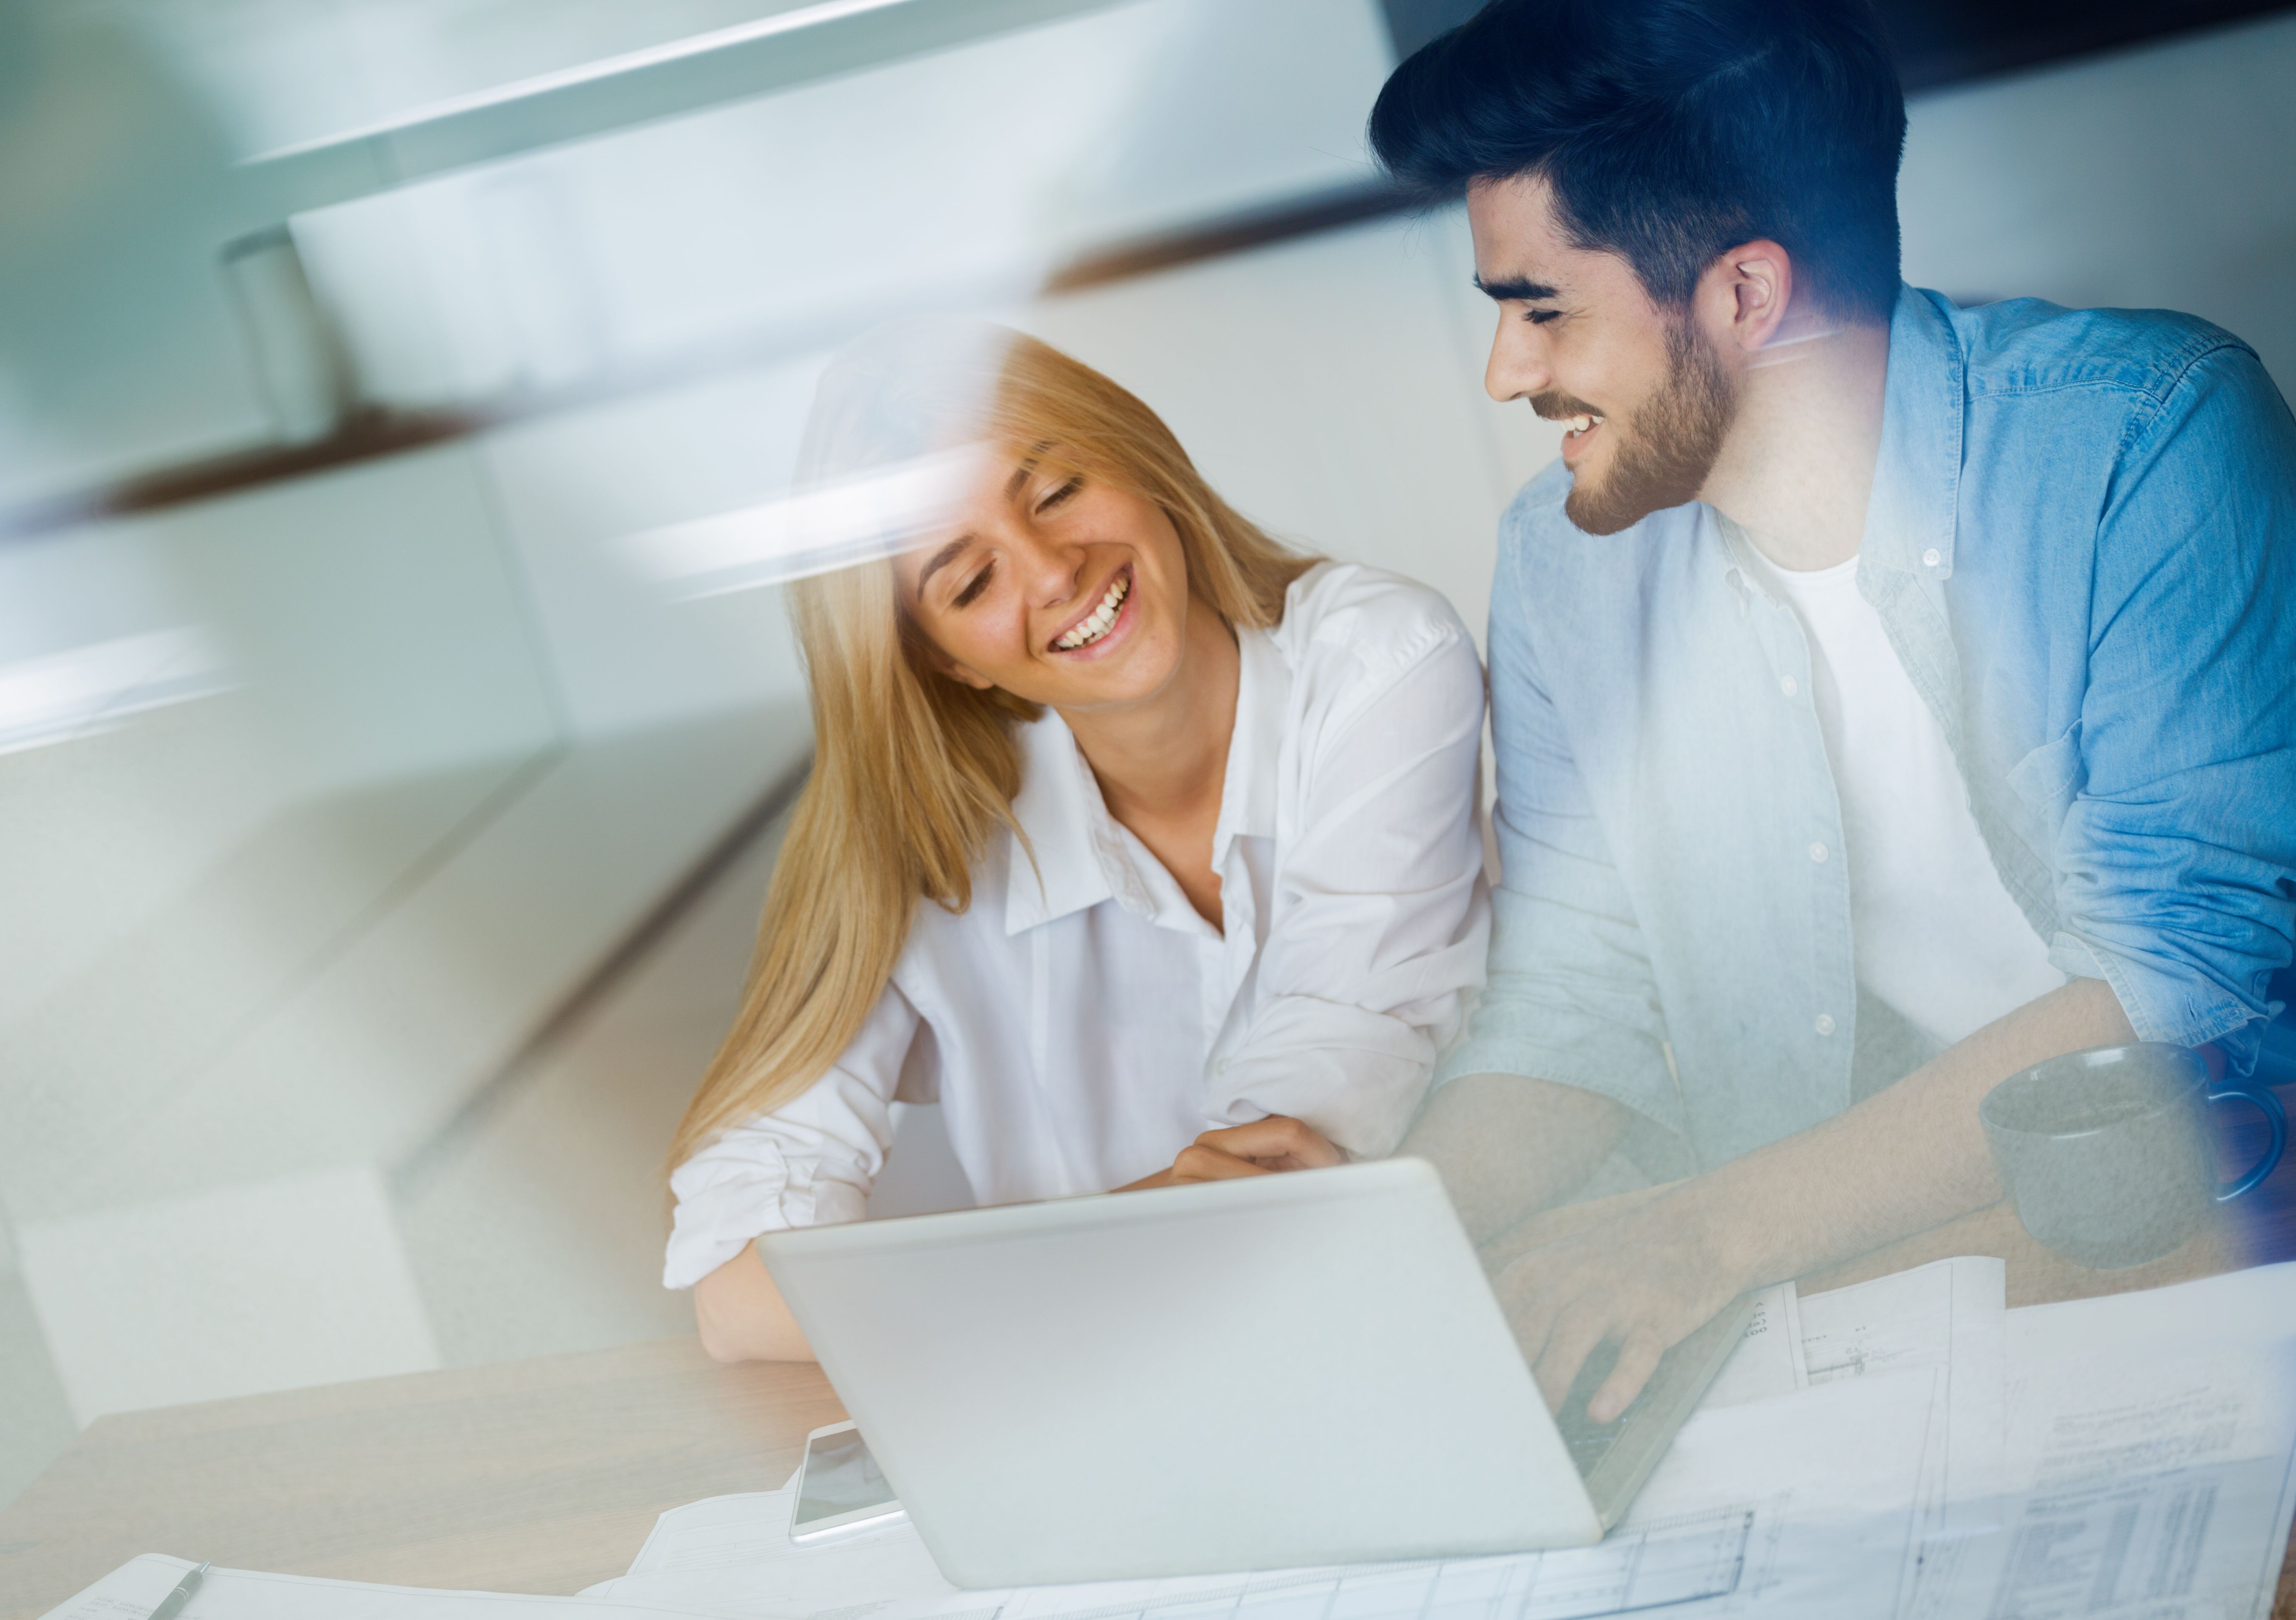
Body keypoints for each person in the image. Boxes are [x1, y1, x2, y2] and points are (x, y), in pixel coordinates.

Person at [1368, 0, 2296, 1423]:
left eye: (1539, 309)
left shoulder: (2148, 433)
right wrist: (1373, 1258)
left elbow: (2182, 985)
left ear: (1745, 294)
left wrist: (1699, 1235)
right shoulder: (1562, 568)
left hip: (2210, 1232)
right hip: (1851, 1280)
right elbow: (1576, 1006)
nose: (1508, 373)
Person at [664, 322, 1491, 1361]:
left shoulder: (1377, 661)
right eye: (971, 583)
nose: (1054, 572)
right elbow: (735, 1290)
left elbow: (1325, 1084)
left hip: (1446, 1323)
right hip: (1110, 1392)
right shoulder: (929, 847)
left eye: (1056, 491)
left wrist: (1045, 1267)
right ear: (948, 664)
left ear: (1137, 460)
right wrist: (1115, 1242)